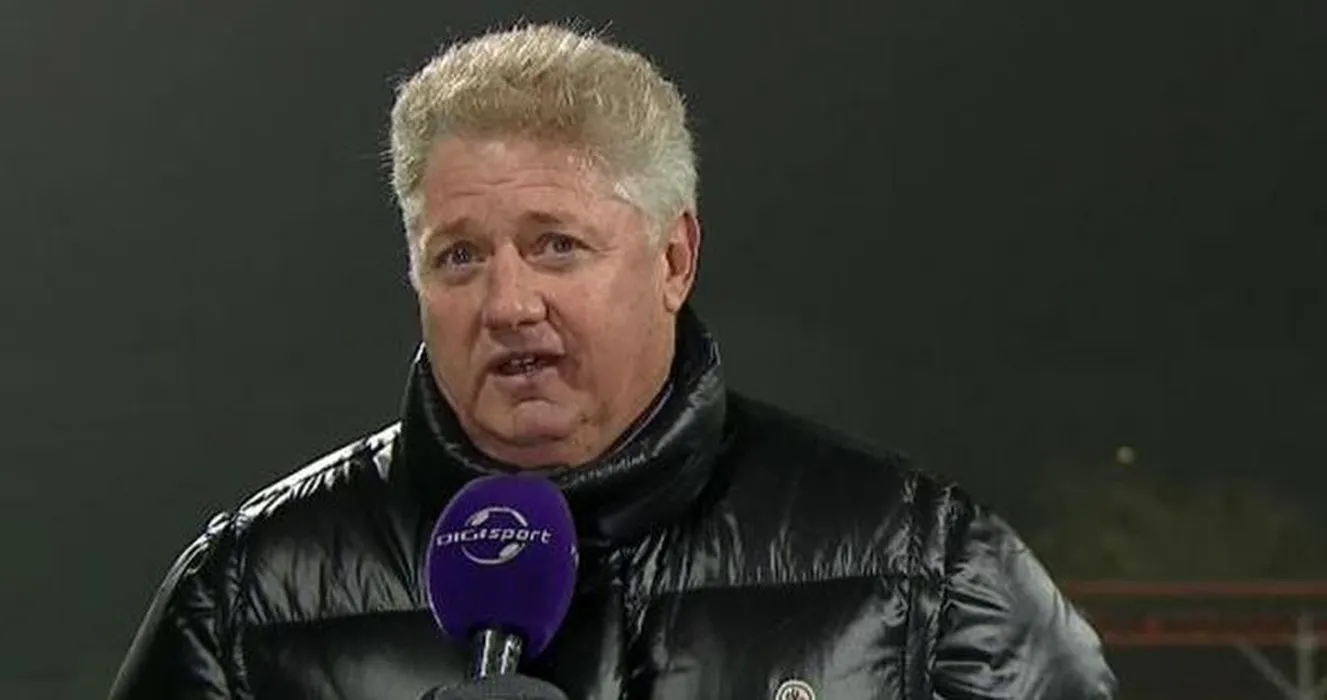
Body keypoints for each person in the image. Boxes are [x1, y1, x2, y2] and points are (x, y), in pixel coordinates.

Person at [108, 23, 1116, 700]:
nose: (508, 303)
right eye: (459, 256)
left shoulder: (928, 568)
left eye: (556, 245)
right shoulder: (243, 597)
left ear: (673, 259)